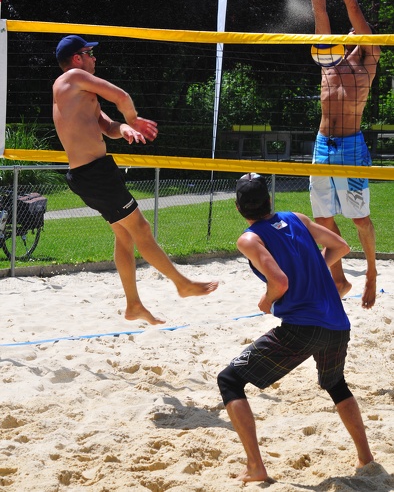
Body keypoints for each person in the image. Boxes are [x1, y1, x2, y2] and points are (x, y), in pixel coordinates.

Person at [217, 172, 374, 483]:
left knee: (230, 380)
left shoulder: (250, 239)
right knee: (336, 384)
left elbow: (279, 281)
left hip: (302, 327)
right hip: (338, 324)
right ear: (269, 200)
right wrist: (313, 269)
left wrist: (266, 301)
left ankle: (256, 467)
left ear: (238, 208)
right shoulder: (297, 218)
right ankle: (366, 457)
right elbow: (341, 246)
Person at [53, 34, 218, 325]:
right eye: (90, 52)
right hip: (95, 174)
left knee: (125, 235)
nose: (94, 57)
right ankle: (182, 284)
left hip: (91, 174)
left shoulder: (77, 92)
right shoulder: (73, 77)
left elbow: (106, 125)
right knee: (140, 227)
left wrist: (125, 129)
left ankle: (134, 305)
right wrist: (134, 118)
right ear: (77, 58)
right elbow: (121, 96)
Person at [293, 0, 381, 308]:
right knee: (323, 218)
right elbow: (320, 10)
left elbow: (353, 8)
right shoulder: (329, 63)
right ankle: (339, 279)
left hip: (351, 145)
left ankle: (372, 273)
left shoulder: (367, 61)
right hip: (322, 143)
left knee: (360, 220)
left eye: (351, 34)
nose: (345, 35)